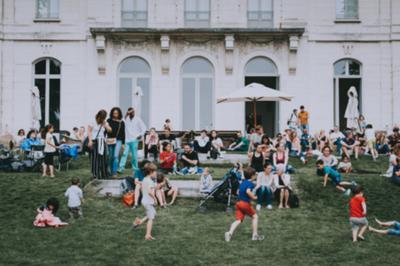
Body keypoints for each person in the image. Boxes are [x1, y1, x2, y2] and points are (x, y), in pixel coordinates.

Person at [225, 167, 264, 242]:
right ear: (252, 176)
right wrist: (254, 197)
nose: (255, 177)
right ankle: (255, 235)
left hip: (238, 203)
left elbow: (237, 192)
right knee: (255, 217)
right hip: (244, 204)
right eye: (254, 175)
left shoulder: (243, 182)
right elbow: (248, 191)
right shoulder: (250, 184)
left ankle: (229, 233)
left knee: (239, 220)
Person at [133, 163, 158, 240]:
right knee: (151, 218)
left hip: (145, 201)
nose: (156, 173)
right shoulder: (150, 181)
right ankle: (147, 235)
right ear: (151, 172)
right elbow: (150, 192)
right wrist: (155, 199)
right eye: (155, 171)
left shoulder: (144, 179)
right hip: (148, 202)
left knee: (153, 213)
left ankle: (139, 221)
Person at [118, 107, 146, 175]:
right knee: (124, 154)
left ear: (134, 112)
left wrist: (140, 134)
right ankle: (121, 168)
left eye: (132, 112)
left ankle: (135, 169)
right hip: (127, 140)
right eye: (130, 112)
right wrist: (126, 114)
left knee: (134, 155)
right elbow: (121, 121)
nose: (131, 113)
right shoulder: (126, 118)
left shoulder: (138, 119)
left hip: (134, 139)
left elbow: (144, 128)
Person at [88, 110, 112, 179]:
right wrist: (90, 141)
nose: (102, 119)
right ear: (98, 116)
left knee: (104, 158)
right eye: (101, 118)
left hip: (102, 141)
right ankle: (95, 174)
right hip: (94, 141)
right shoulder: (92, 121)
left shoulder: (104, 122)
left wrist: (105, 126)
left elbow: (110, 130)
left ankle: (105, 174)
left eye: (103, 118)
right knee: (95, 159)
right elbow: (89, 131)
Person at [107, 107, 125, 178]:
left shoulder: (121, 122)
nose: (115, 114)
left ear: (119, 113)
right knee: (110, 156)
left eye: (117, 113)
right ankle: (110, 171)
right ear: (112, 113)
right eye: (114, 113)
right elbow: (106, 131)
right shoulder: (109, 120)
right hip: (110, 140)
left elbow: (123, 133)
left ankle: (114, 172)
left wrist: (123, 143)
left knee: (115, 156)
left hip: (118, 140)